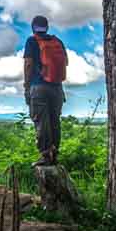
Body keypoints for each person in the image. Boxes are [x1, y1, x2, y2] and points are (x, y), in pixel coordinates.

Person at [23, 15, 68, 166]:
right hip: (57, 88)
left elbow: (29, 64)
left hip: (39, 86)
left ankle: (45, 155)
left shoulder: (31, 41)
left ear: (33, 27)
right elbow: (66, 62)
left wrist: (27, 86)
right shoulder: (57, 41)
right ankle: (54, 154)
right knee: (55, 121)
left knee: (41, 122)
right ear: (47, 27)